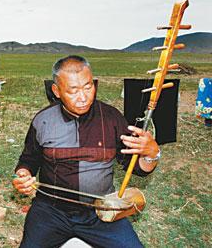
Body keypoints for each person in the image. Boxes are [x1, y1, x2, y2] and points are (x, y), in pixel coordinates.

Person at [12, 55, 160, 248]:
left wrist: (152, 153)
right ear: (56, 91)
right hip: (51, 211)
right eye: (73, 90)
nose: (83, 97)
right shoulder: (43, 120)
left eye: (88, 87)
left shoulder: (111, 118)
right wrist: (23, 174)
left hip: (100, 211)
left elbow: (138, 169)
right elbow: (28, 160)